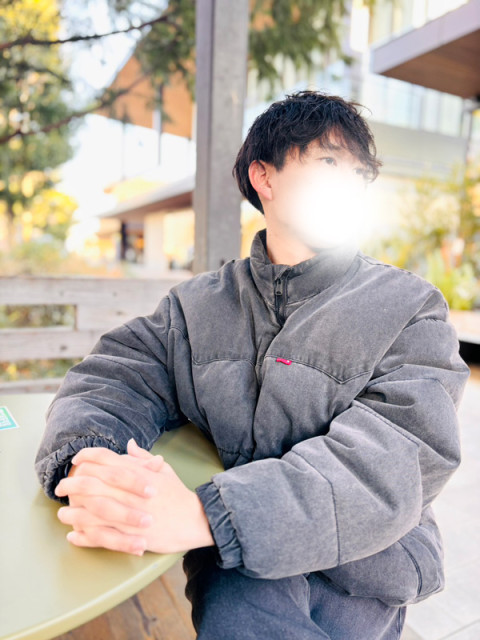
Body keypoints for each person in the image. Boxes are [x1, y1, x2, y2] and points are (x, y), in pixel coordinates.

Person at [35, 90, 470, 640]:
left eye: (359, 174)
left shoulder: (408, 305)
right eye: (328, 162)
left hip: (362, 567)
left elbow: (399, 454)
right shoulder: (197, 306)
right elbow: (114, 376)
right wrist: (90, 465)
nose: (348, 185)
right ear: (264, 177)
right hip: (237, 566)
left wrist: (209, 516)